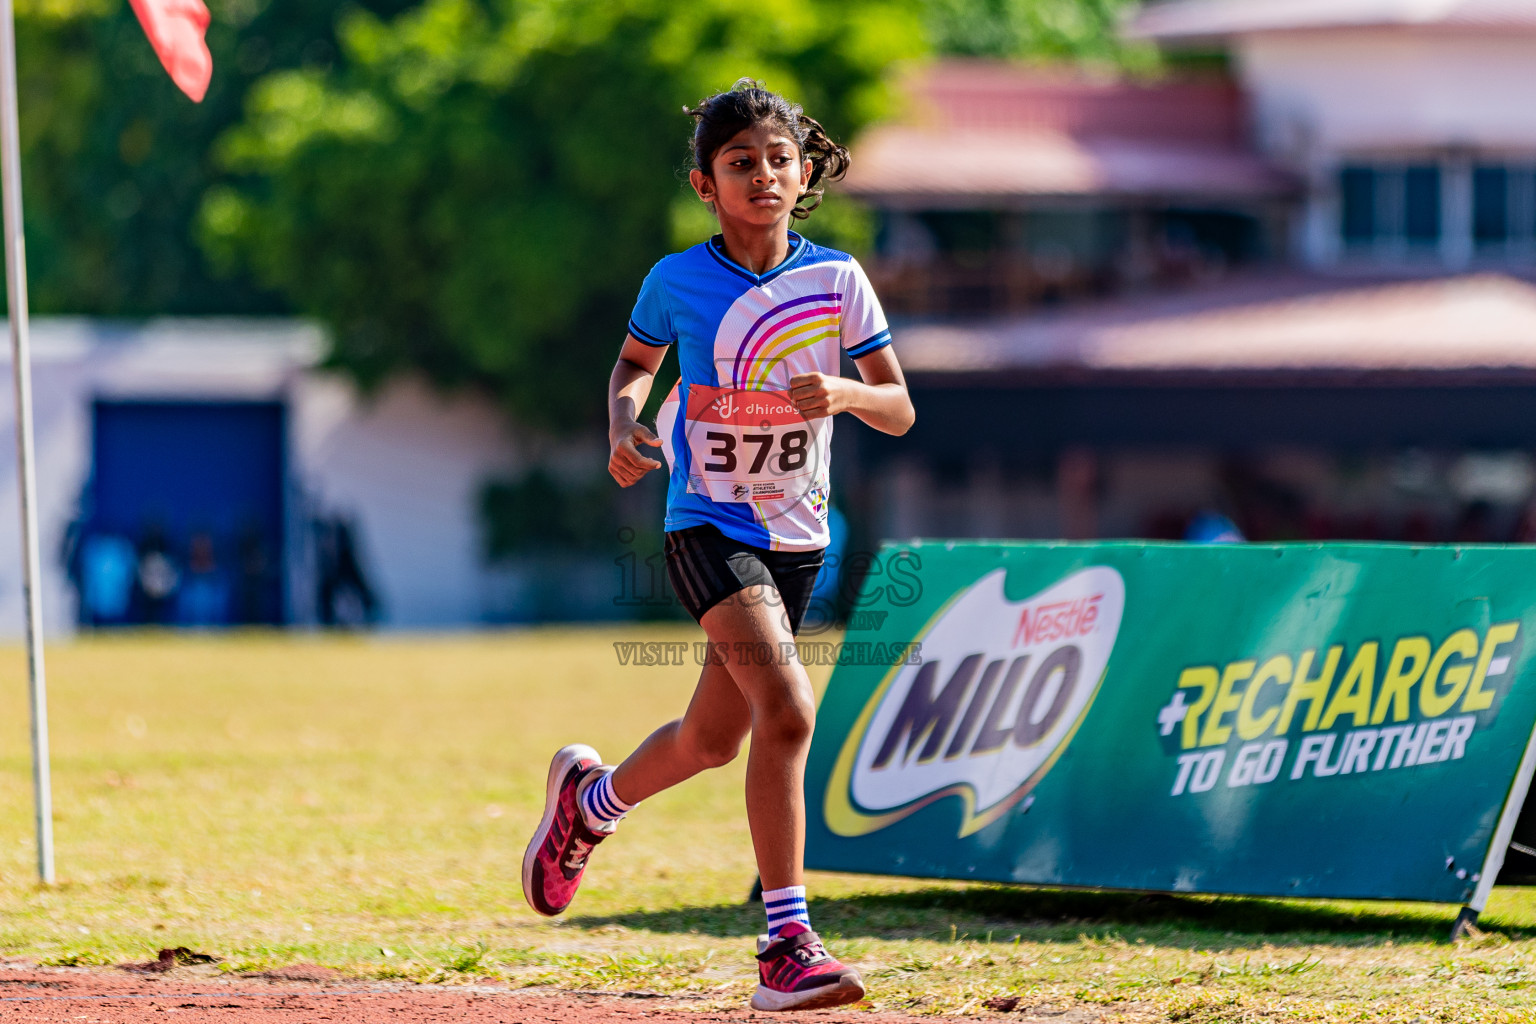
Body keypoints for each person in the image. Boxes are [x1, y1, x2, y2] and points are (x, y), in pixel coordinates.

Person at [522, 80, 914, 1012]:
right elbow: (633, 367)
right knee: (787, 709)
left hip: (798, 539)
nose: (765, 176)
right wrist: (626, 424)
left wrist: (849, 395)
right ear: (707, 184)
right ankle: (788, 946)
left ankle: (590, 804)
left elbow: (898, 407)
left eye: (780, 160)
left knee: (712, 739)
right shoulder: (676, 281)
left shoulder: (838, 280)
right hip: (704, 526)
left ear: (805, 170)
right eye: (742, 163)